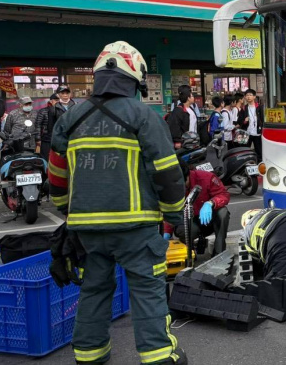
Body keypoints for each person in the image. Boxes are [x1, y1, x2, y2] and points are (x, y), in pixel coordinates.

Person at [48, 41, 188, 364]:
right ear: (133, 82)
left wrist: (72, 214)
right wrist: (173, 215)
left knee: (94, 291)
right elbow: (167, 175)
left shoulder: (69, 120)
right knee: (147, 292)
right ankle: (159, 357)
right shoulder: (144, 116)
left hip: (87, 232)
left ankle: (88, 355)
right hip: (136, 230)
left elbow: (57, 181)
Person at [163, 162, 230, 256]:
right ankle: (189, 251)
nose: (181, 188)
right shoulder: (171, 187)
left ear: (187, 176)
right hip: (188, 222)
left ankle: (219, 252)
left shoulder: (207, 177)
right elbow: (170, 210)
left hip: (207, 219)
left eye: (183, 184)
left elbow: (224, 195)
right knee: (185, 230)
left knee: (223, 213)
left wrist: (210, 203)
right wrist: (166, 233)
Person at [236, 89, 262, 162]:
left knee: (259, 151)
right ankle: (245, 165)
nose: (248, 97)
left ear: (254, 97)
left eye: (250, 95)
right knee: (245, 150)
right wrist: (245, 121)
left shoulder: (259, 107)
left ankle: (259, 165)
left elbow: (263, 119)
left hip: (257, 132)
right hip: (246, 133)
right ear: (245, 97)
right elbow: (239, 121)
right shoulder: (244, 108)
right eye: (247, 95)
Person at [35, 94, 59, 159]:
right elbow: (38, 125)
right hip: (46, 139)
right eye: (56, 100)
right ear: (51, 101)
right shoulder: (43, 111)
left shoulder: (63, 111)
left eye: (59, 100)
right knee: (46, 158)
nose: (58, 102)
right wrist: (38, 139)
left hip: (58, 139)